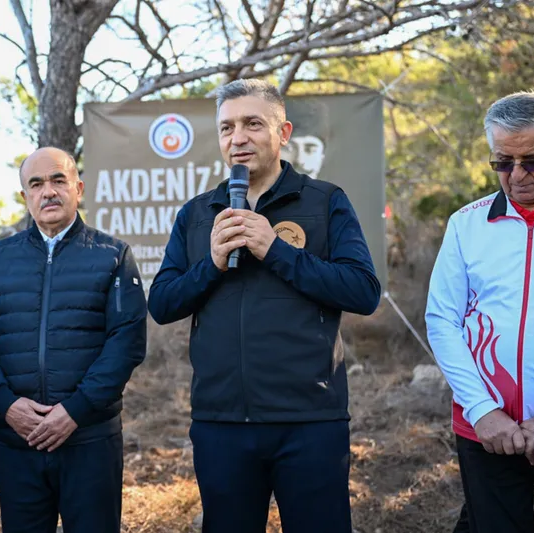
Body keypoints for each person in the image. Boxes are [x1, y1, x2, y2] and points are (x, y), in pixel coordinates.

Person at [147, 79, 381, 533]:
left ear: (284, 132)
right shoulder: (197, 214)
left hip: (309, 420)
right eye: (227, 127)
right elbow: (162, 303)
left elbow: (362, 290)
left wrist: (277, 250)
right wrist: (212, 264)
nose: (238, 138)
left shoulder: (325, 201)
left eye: (253, 124)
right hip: (221, 422)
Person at [0, 147, 147, 533]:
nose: (48, 191)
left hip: (89, 440)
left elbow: (126, 343)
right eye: (37, 184)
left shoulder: (113, 255)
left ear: (78, 188)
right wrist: (7, 406)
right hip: (17, 442)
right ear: (25, 197)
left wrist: (75, 411)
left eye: (58, 180)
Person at [426, 92, 534, 533]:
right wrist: (482, 411)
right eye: (502, 162)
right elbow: (442, 321)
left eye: (532, 161)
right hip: (488, 432)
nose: (517, 176)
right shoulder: (466, 224)